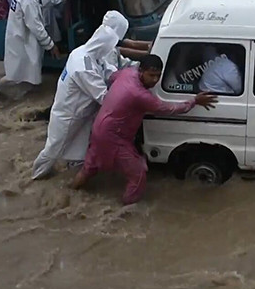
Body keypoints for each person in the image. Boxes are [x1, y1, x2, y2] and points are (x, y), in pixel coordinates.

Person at [70, 55, 218, 205]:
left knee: (89, 168)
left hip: (100, 128)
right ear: (141, 71)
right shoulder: (140, 94)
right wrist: (194, 101)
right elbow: (169, 109)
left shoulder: (127, 73)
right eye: (151, 75)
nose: (155, 80)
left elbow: (113, 77)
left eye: (158, 76)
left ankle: (70, 193)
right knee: (138, 175)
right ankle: (124, 213)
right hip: (114, 137)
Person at [32, 11, 130, 180]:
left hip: (80, 114)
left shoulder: (87, 54)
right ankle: (35, 177)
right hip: (68, 116)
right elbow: (104, 97)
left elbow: (107, 70)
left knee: (78, 149)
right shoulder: (83, 67)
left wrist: (126, 74)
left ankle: (71, 176)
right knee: (53, 149)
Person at [1, 0, 66, 88]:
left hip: (19, 37)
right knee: (23, 77)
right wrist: (51, 45)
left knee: (18, 73)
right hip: (22, 40)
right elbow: (36, 27)